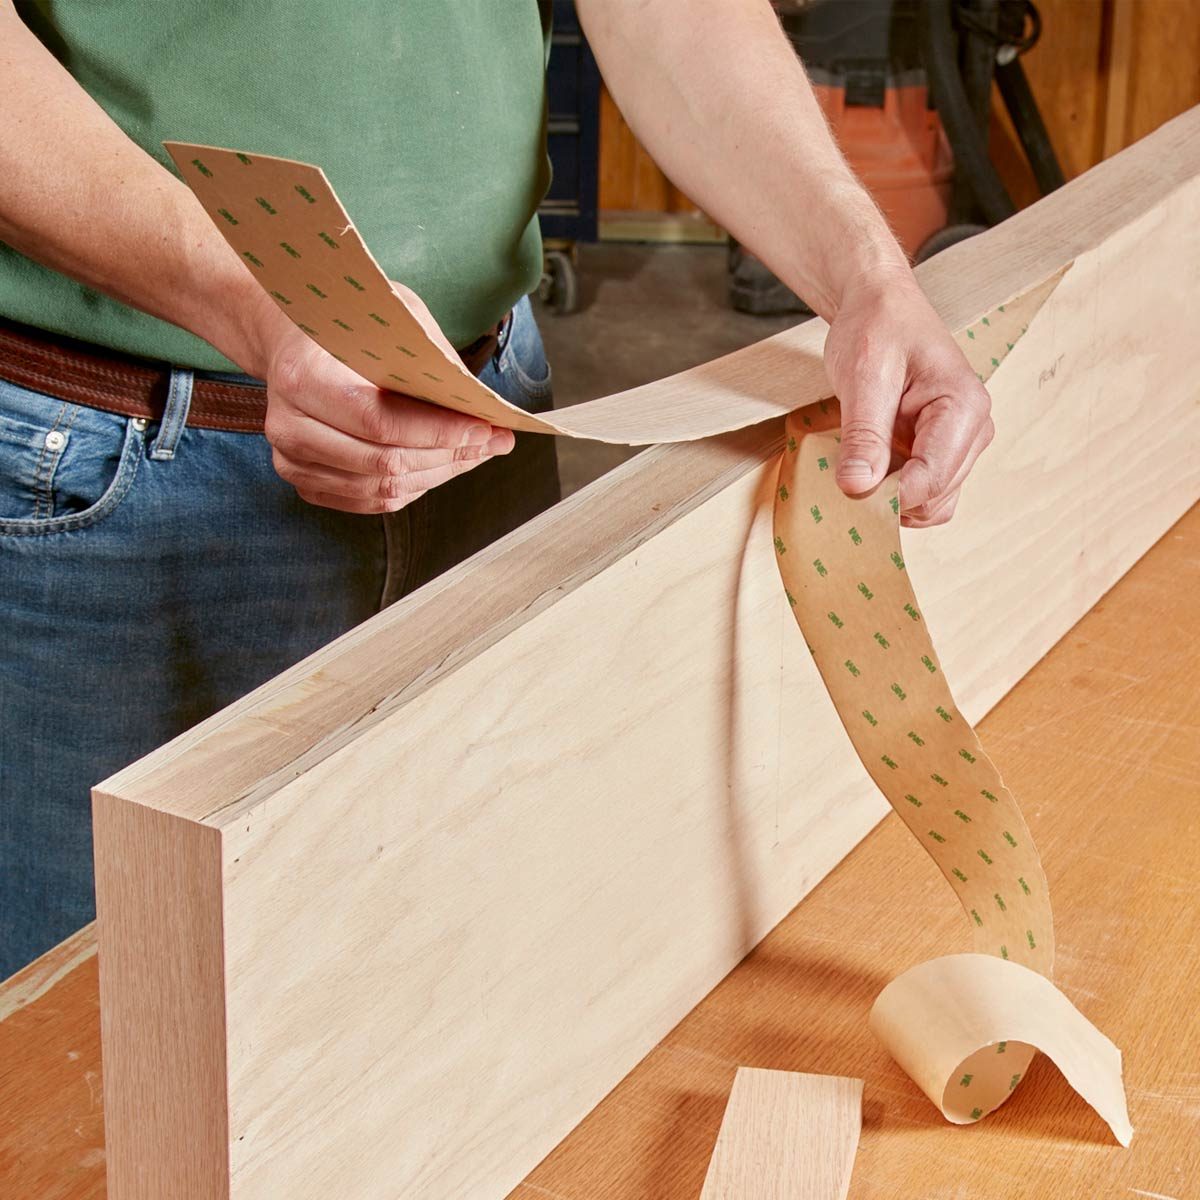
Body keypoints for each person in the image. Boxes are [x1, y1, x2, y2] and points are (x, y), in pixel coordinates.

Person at [0, 0, 994, 979]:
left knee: (460, 976)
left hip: (485, 410)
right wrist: (251, 306)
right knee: (93, 1026)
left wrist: (867, 278)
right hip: (112, 468)